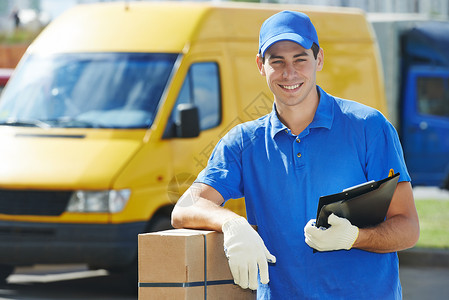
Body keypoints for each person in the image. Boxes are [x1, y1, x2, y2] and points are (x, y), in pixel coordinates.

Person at [171, 10, 419, 299]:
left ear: (319, 59)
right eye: (277, 61)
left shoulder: (369, 127)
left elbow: (408, 227)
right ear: (260, 66)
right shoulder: (243, 142)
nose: (289, 72)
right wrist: (231, 223)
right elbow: (186, 207)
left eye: (300, 58)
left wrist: (354, 238)